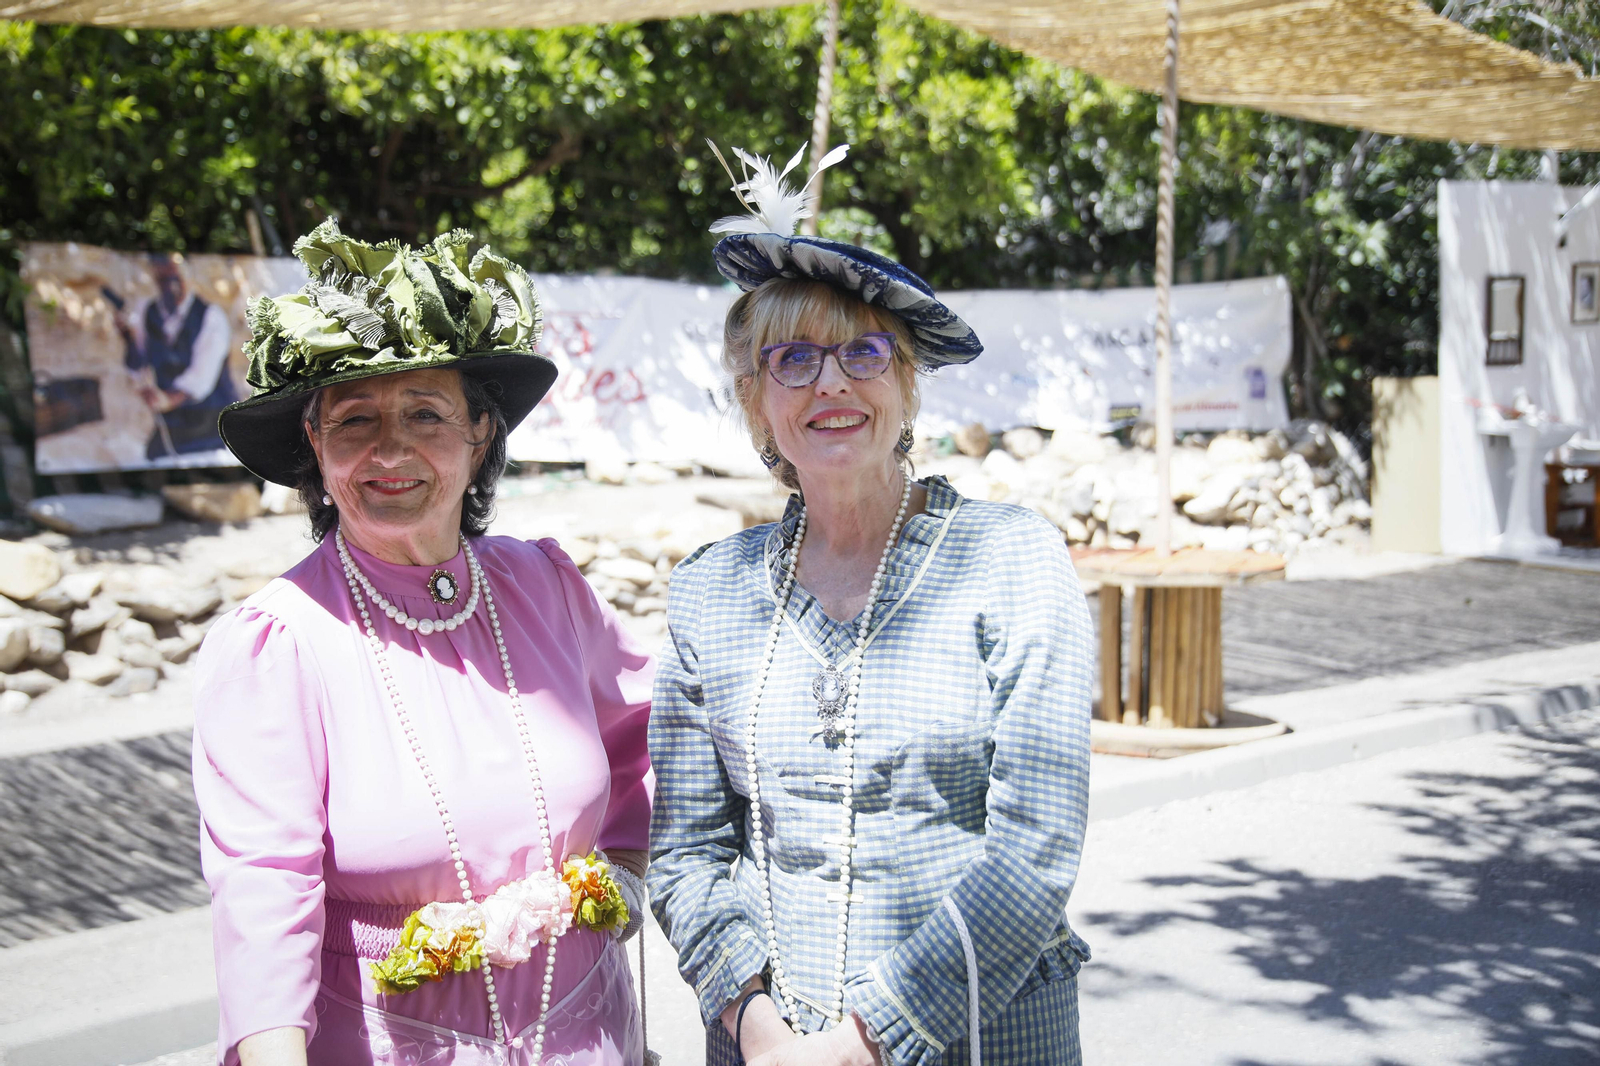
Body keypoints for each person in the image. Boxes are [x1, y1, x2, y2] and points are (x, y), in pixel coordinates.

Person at [647, 144, 1094, 1066]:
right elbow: (686, 855)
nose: (832, 383)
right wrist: (759, 1030)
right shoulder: (708, 594)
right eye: (794, 358)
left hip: (984, 1036)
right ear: (755, 401)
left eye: (864, 351)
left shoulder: (1011, 561)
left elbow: (1035, 849)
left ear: (905, 383)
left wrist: (863, 1045)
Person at [193, 221, 654, 1066]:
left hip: (591, 1032)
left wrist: (619, 873)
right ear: (316, 450)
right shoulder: (279, 642)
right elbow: (263, 892)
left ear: (480, 437)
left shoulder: (545, 586)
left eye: (426, 413)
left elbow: (649, 738)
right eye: (355, 420)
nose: (391, 449)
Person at [112, 253, 238, 458]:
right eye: (163, 279)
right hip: (172, 425)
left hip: (211, 424)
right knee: (153, 456)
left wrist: (167, 400)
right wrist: (127, 337)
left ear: (188, 277)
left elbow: (200, 379)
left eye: (176, 278)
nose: (170, 286)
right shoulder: (148, 312)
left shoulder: (210, 316)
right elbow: (138, 364)